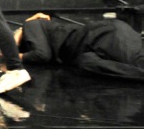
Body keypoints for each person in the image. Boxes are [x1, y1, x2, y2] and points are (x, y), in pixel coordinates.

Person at [14, 12, 144, 80]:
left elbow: (41, 55)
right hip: (114, 32)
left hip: (103, 38)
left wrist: (14, 54)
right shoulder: (40, 30)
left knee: (87, 62)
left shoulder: (31, 25)